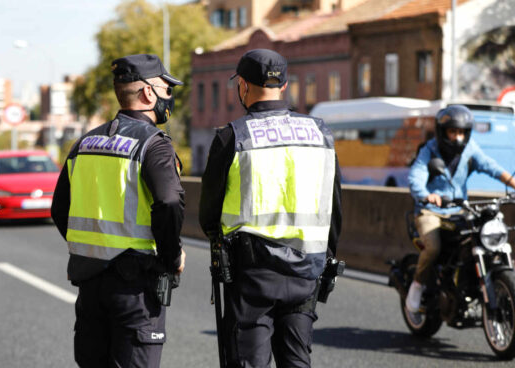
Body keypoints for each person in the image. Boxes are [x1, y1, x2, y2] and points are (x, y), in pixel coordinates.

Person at [199, 49, 342, 368]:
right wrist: (326, 256)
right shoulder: (321, 133)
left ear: (244, 87)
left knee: (249, 361)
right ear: (285, 85)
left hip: (253, 274)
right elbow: (334, 207)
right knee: (296, 360)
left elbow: (208, 213)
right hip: (308, 269)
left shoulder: (233, 135)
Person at [51, 53, 186, 368]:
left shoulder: (84, 142)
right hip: (136, 286)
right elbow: (168, 202)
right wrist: (171, 257)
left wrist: (91, 249)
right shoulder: (153, 144)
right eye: (167, 89)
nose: (170, 97)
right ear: (148, 93)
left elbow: (60, 209)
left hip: (90, 284)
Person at [406, 105, 515, 312]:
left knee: (486, 236)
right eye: (453, 132)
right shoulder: (429, 150)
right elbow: (415, 177)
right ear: (442, 131)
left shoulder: (470, 149)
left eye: (462, 132)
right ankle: (417, 285)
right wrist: (427, 195)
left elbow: (490, 166)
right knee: (434, 247)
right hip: (430, 211)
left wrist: (513, 182)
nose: (457, 137)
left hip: (459, 210)